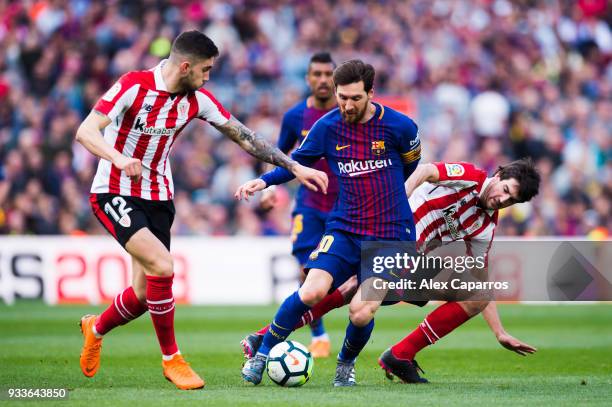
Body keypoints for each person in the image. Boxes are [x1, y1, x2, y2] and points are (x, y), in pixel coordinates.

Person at [76, 30, 327, 390]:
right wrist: (118, 157)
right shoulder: (133, 85)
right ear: (185, 66)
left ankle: (95, 328)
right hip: (113, 190)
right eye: (206, 70)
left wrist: (295, 167)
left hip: (159, 197)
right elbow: (86, 131)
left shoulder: (197, 100)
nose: (208, 77)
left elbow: (246, 137)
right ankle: (172, 359)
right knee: (163, 267)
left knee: (146, 294)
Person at [241, 159, 540, 384]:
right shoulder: (471, 177)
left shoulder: (486, 225)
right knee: (349, 290)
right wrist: (401, 199)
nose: (503, 199)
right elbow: (425, 170)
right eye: (505, 190)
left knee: (476, 294)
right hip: (388, 231)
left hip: (411, 260)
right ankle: (266, 337)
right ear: (498, 176)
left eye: (512, 200)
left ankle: (400, 354)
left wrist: (499, 332)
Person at [236, 59, 422, 386]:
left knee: (362, 311)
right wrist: (264, 182)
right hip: (344, 227)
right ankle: (263, 353)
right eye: (342, 97)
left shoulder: (400, 127)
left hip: (392, 234)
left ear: (371, 94)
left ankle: (345, 364)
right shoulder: (327, 127)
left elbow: (410, 167)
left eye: (355, 98)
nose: (347, 105)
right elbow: (295, 164)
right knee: (312, 291)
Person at [250, 52, 338, 358]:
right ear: (308, 78)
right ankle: (320, 335)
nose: (324, 80)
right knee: (307, 270)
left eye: (329, 74)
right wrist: (268, 187)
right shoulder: (295, 117)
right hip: (310, 205)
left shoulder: (347, 113)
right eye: (317, 74)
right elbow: (279, 154)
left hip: (345, 208)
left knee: (345, 282)